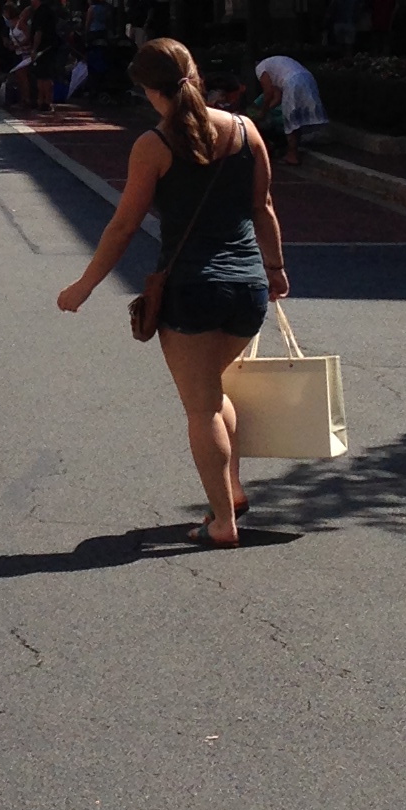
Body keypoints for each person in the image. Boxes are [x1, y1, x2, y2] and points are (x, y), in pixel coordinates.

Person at [54, 37, 287, 547]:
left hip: (191, 289)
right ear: (195, 74)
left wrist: (84, 286)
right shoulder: (246, 130)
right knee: (213, 389)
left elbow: (123, 226)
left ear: (149, 90)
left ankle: (222, 522)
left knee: (201, 407)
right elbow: (263, 206)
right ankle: (232, 492)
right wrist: (275, 268)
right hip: (247, 286)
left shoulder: (155, 145)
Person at [253, 49, 329, 168]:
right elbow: (277, 97)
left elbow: (268, 93)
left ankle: (292, 155)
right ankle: (293, 151)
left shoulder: (260, 67)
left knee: (291, 121)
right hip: (307, 78)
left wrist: (262, 112)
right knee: (297, 119)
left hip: (292, 83)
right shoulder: (276, 65)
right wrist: (266, 110)